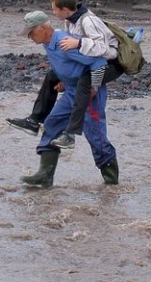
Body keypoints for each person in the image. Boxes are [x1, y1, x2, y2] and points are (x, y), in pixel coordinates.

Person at [7, 0, 124, 149]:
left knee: (85, 84)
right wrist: (65, 79)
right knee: (51, 76)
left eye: (54, 9)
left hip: (110, 62)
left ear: (64, 9)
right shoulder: (69, 22)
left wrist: (79, 44)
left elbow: (102, 50)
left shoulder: (88, 21)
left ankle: (71, 134)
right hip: (89, 61)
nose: (53, 12)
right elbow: (70, 57)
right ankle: (35, 120)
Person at [18, 11, 119, 188]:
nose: (29, 37)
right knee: (52, 123)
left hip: (88, 94)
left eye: (31, 32)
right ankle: (45, 175)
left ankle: (111, 184)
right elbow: (66, 66)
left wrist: (94, 87)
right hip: (72, 90)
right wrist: (64, 81)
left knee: (95, 136)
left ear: (44, 28)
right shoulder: (48, 43)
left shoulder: (64, 42)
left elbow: (98, 63)